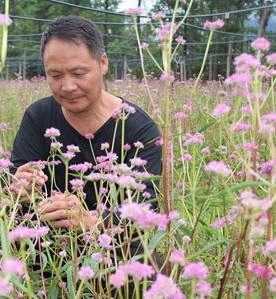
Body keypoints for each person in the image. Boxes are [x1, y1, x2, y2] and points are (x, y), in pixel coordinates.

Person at [10, 15, 162, 234]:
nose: (68, 86)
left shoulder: (139, 129)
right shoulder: (38, 116)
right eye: (55, 75)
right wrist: (20, 186)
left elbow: (145, 206)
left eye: (79, 73)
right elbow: (17, 173)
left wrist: (90, 221)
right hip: (49, 240)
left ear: (103, 63)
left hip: (112, 246)